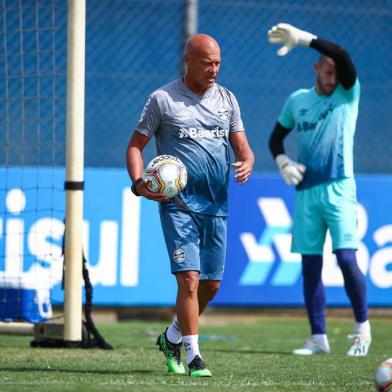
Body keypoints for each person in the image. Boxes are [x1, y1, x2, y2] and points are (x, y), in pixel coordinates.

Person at [126, 34, 254, 376]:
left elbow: (243, 147)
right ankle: (194, 356)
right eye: (206, 63)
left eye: (217, 64)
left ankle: (171, 336)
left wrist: (246, 160)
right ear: (189, 59)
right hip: (177, 205)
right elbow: (135, 146)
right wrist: (139, 184)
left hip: (216, 206)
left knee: (211, 285)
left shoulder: (227, 99)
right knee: (190, 281)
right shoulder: (163, 99)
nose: (213, 70)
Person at [267, 23, 371, 356]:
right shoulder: (297, 101)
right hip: (307, 192)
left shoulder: (347, 93)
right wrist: (282, 160)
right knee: (310, 265)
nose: (332, 78)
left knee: (345, 257)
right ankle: (318, 337)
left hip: (340, 187)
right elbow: (275, 138)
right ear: (316, 68)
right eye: (327, 71)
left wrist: (304, 39)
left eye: (336, 73)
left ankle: (362, 329)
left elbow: (342, 55)